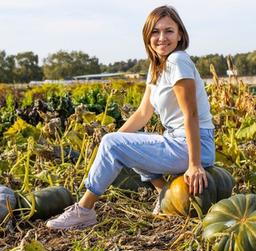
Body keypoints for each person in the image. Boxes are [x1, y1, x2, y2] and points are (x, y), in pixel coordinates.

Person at [46, 5, 215, 230]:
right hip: (177, 140)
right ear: (147, 36)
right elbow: (143, 113)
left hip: (194, 146)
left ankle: (84, 210)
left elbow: (191, 114)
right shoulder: (157, 66)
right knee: (122, 142)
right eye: (155, 32)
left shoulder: (178, 61)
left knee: (115, 144)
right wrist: (114, 141)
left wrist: (194, 165)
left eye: (169, 31)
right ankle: (163, 195)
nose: (162, 38)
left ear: (180, 34)